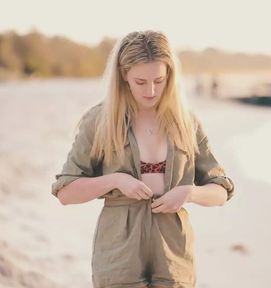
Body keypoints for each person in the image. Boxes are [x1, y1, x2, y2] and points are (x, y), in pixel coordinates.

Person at [51, 30, 234, 288]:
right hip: (118, 252)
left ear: (170, 75)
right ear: (123, 75)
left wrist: (189, 193)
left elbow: (221, 191)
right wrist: (115, 180)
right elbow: (66, 193)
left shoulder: (187, 122)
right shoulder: (99, 121)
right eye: (140, 82)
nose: (151, 91)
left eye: (159, 80)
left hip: (174, 251)